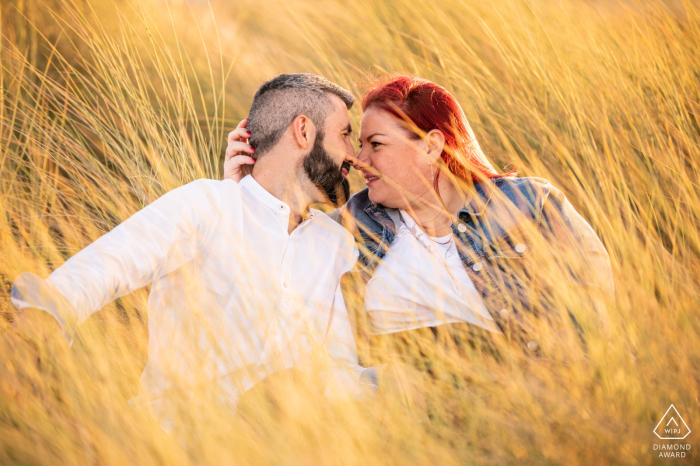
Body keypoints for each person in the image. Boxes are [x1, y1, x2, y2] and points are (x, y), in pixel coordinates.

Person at [10, 73, 373, 427]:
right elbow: (110, 265)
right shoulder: (209, 205)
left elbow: (337, 369)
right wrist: (36, 328)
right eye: (345, 134)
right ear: (304, 130)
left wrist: (393, 384)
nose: (355, 156)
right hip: (173, 438)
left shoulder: (333, 242)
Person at [224, 74, 614, 376]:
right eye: (359, 144)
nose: (360, 160)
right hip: (404, 409)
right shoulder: (352, 224)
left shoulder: (531, 205)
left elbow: (594, 319)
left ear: (431, 146)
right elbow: (272, 280)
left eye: (376, 144)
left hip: (532, 395)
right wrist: (245, 192)